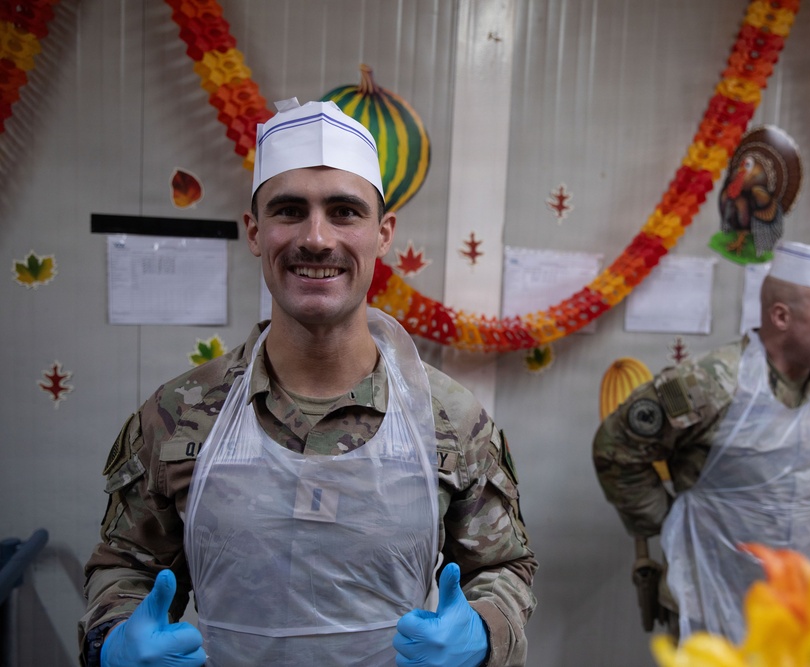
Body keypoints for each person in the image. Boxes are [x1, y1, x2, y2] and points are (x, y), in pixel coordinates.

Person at [78, 98, 537, 667]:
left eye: (345, 212)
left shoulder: (449, 419)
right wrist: (115, 639)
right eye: (289, 210)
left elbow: (502, 568)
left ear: (383, 233)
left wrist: (484, 633)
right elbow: (126, 565)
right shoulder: (178, 415)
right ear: (253, 231)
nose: (316, 238)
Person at [592, 240, 810, 643]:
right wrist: (666, 523)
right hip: (706, 588)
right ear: (781, 316)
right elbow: (616, 449)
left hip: (793, 600)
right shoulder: (709, 383)